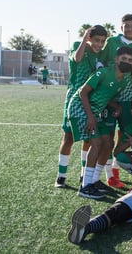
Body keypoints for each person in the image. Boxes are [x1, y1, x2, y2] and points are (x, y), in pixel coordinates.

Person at [68, 46, 132, 199]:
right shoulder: (104, 72)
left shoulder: (123, 82)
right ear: (116, 59)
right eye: (124, 59)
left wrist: (115, 105)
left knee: (108, 143)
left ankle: (95, 180)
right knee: (97, 143)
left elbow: (104, 95)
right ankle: (85, 186)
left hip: (93, 112)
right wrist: (90, 117)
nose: (127, 62)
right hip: (80, 108)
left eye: (130, 60)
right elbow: (83, 92)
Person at [54, 25, 108, 189]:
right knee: (68, 138)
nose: (99, 44)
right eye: (96, 40)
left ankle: (84, 174)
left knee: (88, 139)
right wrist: (85, 38)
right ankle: (61, 176)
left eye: (102, 41)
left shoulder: (100, 56)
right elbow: (77, 59)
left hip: (90, 102)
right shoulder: (79, 46)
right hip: (74, 100)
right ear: (90, 38)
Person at [99, 13, 132, 188]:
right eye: (127, 25)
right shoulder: (111, 43)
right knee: (108, 138)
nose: (130, 29)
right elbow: (101, 64)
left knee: (128, 135)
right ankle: (111, 175)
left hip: (128, 98)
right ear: (121, 27)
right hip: (110, 97)